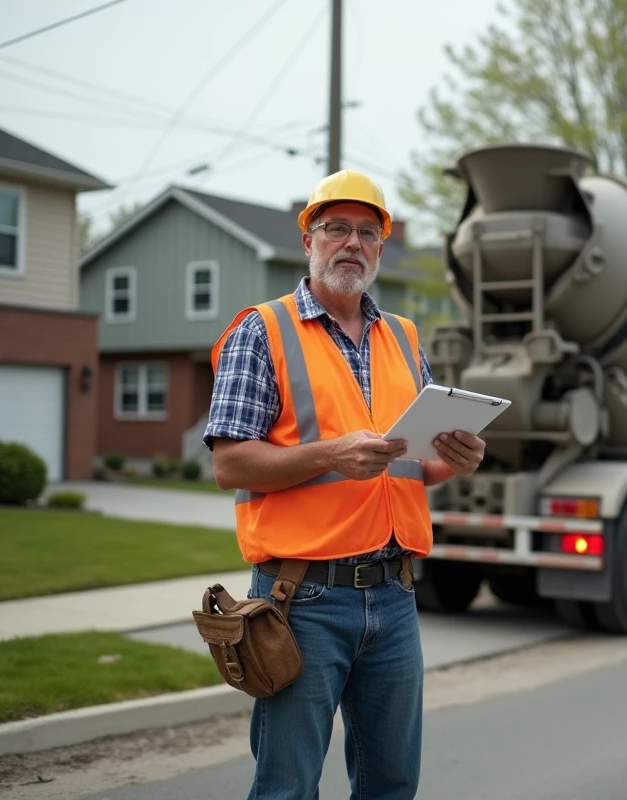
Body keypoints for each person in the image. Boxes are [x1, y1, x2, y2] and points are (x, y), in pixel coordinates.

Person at [203, 168, 485, 800]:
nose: (352, 243)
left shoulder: (405, 339)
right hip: (300, 600)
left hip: (394, 595)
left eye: (367, 231)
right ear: (310, 239)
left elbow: (416, 466)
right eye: (336, 229)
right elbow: (229, 465)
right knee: (287, 785)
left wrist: (456, 457)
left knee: (391, 784)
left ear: (381, 247)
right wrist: (330, 454)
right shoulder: (261, 330)